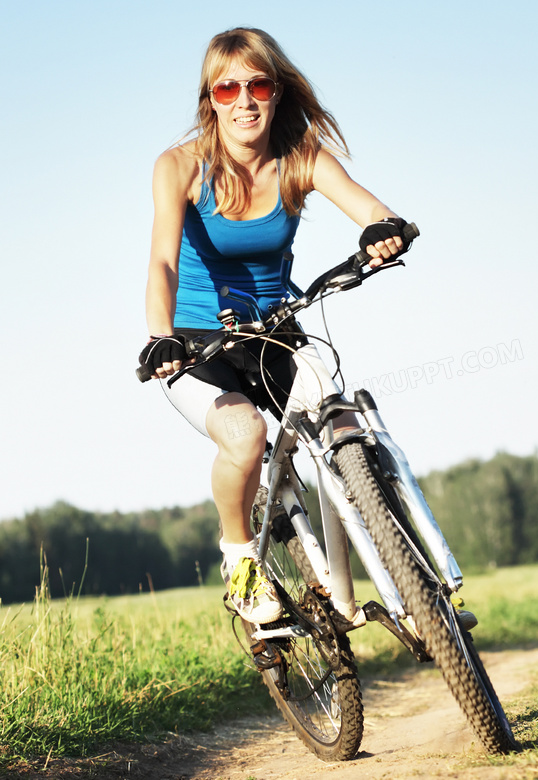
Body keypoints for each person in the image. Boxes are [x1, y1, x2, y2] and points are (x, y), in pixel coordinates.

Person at [139, 27, 408, 624]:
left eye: (257, 84)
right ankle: (240, 558)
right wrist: (161, 336)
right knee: (245, 436)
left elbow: (370, 207)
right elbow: (162, 259)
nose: (244, 100)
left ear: (277, 90)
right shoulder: (180, 167)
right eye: (227, 88)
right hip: (195, 345)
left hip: (274, 330)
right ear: (210, 98)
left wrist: (382, 228)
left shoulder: (301, 160)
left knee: (342, 422)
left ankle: (400, 573)